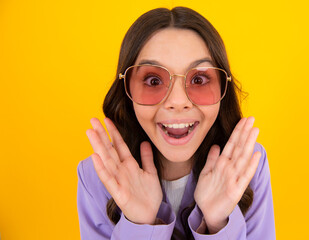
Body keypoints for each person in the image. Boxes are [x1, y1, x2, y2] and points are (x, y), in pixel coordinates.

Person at [77, 6, 275, 240]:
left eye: (199, 79)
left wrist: (218, 224)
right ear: (127, 89)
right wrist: (140, 225)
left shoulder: (248, 165)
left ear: (223, 87)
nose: (178, 102)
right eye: (153, 80)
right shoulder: (96, 176)